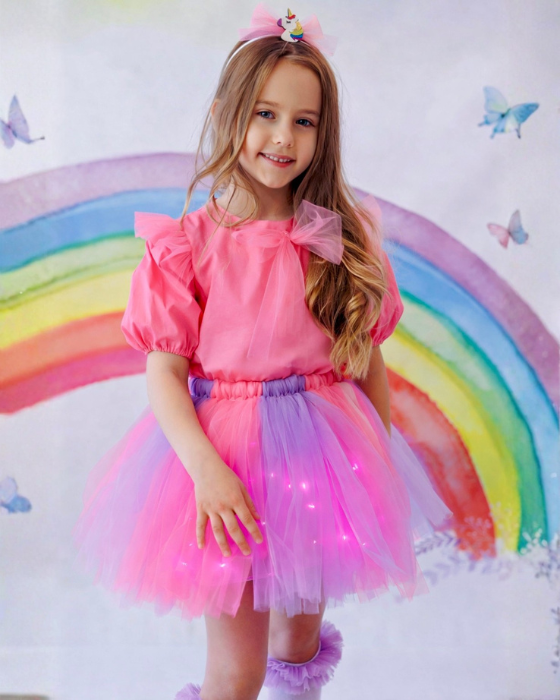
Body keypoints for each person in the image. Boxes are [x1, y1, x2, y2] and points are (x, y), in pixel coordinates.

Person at [73, 5, 453, 700]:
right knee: (238, 668)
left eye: (304, 121)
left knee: (297, 640)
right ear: (228, 115)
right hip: (225, 463)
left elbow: (365, 356)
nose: (283, 137)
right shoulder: (187, 246)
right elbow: (164, 371)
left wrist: (376, 456)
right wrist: (205, 471)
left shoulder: (340, 239)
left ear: (323, 134)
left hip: (320, 458)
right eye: (265, 114)